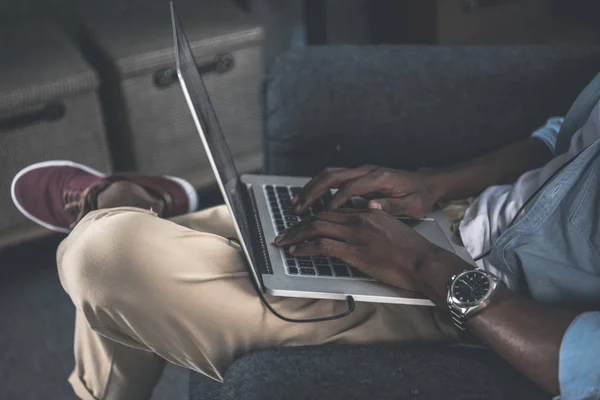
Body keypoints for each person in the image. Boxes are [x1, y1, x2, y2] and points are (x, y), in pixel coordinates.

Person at [11, 77, 600, 400]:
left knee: (102, 255)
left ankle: (146, 208)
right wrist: (432, 183)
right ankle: (152, 212)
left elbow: (580, 362)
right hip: (450, 214)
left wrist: (424, 264)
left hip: (477, 299)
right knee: (119, 263)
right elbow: (558, 139)